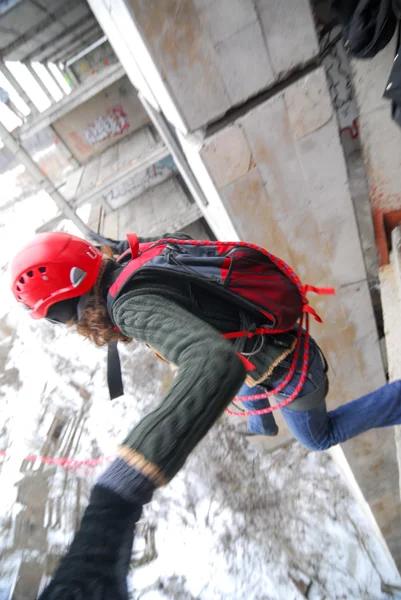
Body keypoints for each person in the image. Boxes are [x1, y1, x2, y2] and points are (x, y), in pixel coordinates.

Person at [10, 231, 401, 598]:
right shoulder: (133, 258)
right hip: (269, 343)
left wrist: (122, 485)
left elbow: (213, 360)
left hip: (290, 367)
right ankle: (259, 423)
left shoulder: (130, 307)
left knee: (318, 437)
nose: (69, 325)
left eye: (59, 317)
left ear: (68, 306)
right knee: (253, 416)